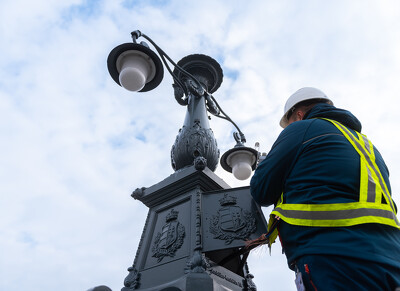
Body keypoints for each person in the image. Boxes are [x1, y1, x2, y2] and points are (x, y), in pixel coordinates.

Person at [250, 87, 400, 290]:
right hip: (391, 259)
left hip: (334, 256)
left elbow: (261, 190)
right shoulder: (367, 145)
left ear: (299, 115)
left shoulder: (302, 129)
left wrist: (265, 164)